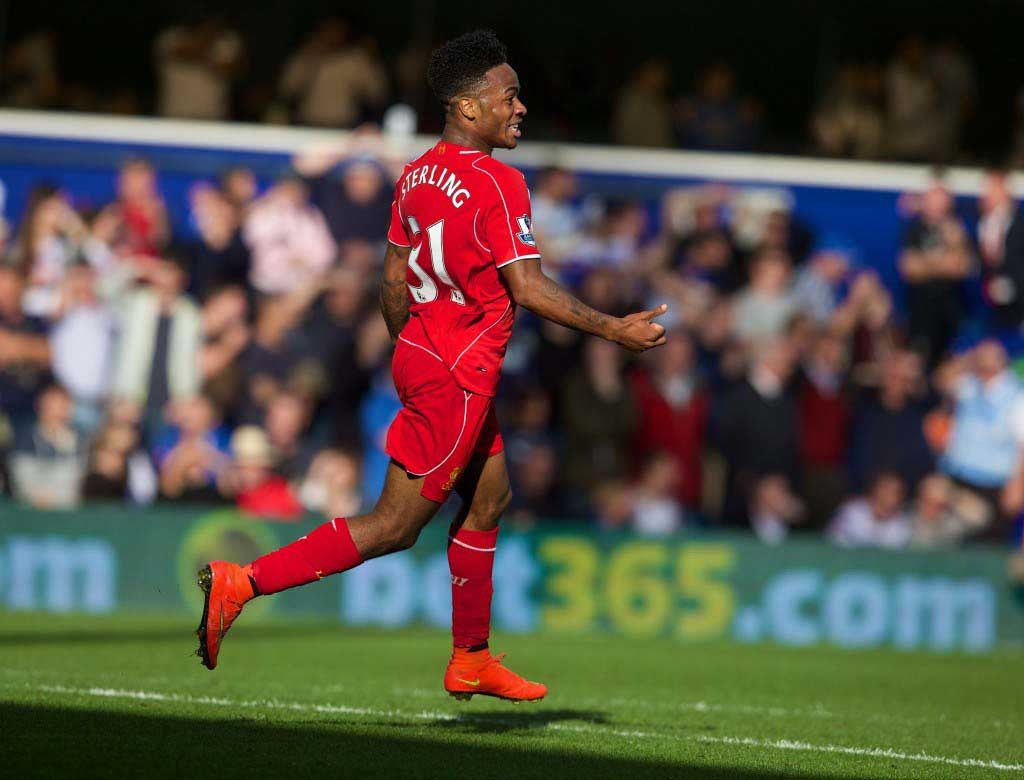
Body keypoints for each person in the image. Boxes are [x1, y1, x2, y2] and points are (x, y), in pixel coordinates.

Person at [196, 30, 667, 703]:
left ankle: (471, 658)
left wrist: (413, 348)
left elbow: (393, 278)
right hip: (457, 369)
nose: (521, 108)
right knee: (393, 525)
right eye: (509, 97)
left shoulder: (415, 174)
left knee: (490, 494)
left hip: (424, 350)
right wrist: (612, 327)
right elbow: (528, 287)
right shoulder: (499, 183)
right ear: (469, 109)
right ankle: (242, 583)